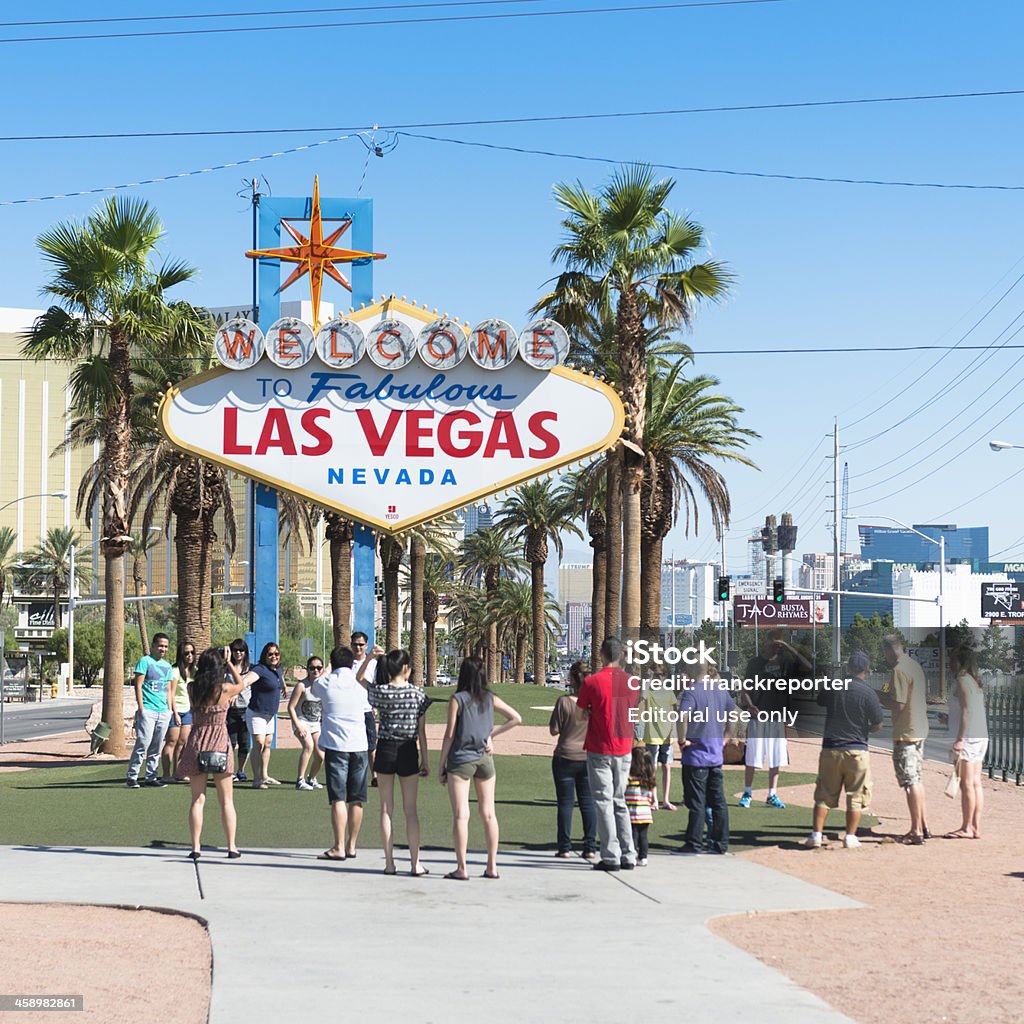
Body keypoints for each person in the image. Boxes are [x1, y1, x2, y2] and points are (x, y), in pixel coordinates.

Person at [438, 656, 521, 880]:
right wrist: (490, 736)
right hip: (485, 760)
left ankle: (462, 868)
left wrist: (441, 765)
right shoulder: (490, 698)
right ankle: (492, 866)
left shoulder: (458, 699)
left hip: (461, 759)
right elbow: (516, 718)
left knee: (461, 814)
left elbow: (449, 735)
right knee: (488, 814)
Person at [358, 647, 431, 876]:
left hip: (386, 749)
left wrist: (370, 657)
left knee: (386, 809)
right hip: (409, 749)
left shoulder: (381, 692)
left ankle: (389, 863)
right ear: (407, 668)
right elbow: (422, 732)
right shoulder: (418, 694)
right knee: (410, 810)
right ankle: (415, 863)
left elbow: (359, 679)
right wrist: (426, 761)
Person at [805, 651, 884, 849]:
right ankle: (850, 836)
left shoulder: (834, 685)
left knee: (823, 794)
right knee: (856, 796)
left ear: (848, 667)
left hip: (831, 748)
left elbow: (820, 701)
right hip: (857, 750)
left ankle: (816, 834)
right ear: (866, 670)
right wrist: (865, 729)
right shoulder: (868, 693)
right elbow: (878, 724)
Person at [577, 637, 641, 872]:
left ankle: (611, 855)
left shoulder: (592, 682)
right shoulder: (632, 683)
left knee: (604, 802)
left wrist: (593, 712)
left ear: (602, 654)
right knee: (619, 801)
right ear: (621, 656)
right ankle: (629, 853)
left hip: (600, 747)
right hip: (624, 747)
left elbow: (580, 714)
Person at [178, 646, 248, 859]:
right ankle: (231, 847)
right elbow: (242, 684)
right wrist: (228, 662)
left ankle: (196, 847)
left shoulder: (192, 689)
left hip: (197, 742)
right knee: (226, 800)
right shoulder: (224, 689)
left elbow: (192, 678)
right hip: (219, 743)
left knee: (197, 799)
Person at [310, 646, 372, 861]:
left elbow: (315, 685)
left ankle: (338, 846)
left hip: (336, 746)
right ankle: (352, 845)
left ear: (333, 663)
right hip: (359, 745)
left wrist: (328, 669)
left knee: (338, 798)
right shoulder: (359, 685)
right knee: (356, 799)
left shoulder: (326, 682)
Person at [739, 630, 810, 809]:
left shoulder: (786, 662)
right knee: (752, 757)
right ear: (766, 641)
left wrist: (789, 648)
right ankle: (747, 793)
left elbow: (808, 666)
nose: (775, 646)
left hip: (778, 717)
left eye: (778, 643)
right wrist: (749, 705)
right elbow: (744, 689)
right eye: (772, 641)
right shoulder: (755, 663)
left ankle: (772, 794)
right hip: (758, 717)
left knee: (775, 757)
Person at [675, 664, 735, 855]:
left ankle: (694, 843)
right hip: (715, 756)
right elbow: (733, 714)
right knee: (718, 802)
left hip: (695, 757)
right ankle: (720, 844)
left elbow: (682, 717)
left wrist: (682, 740)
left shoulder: (691, 692)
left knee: (697, 803)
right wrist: (726, 738)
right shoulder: (720, 691)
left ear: (692, 672)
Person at [880, 635, 930, 845]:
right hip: (918, 729)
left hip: (906, 732)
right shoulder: (914, 666)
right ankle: (923, 825)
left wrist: (874, 695)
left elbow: (897, 704)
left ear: (889, 650)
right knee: (917, 778)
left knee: (910, 782)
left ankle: (916, 831)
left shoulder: (899, 670)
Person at [549, 661, 598, 860]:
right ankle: (590, 847)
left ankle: (565, 847)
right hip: (588, 756)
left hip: (565, 755)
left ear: (571, 679)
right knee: (588, 803)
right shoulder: (593, 703)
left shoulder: (564, 702)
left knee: (565, 803)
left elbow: (554, 730)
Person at [945, 646, 988, 840]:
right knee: (976, 783)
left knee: (966, 784)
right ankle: (975, 827)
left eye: (952, 659)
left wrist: (960, 739)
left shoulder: (962, 681)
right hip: (979, 735)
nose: (949, 664)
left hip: (969, 737)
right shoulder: (974, 682)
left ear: (960, 661)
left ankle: (967, 827)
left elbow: (966, 711)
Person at [126, 632, 174, 789]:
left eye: (165, 646)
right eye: (160, 645)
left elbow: (168, 689)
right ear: (153, 646)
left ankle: (151, 777)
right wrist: (141, 708)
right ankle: (132, 776)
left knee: (156, 746)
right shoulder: (144, 662)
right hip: (148, 709)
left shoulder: (167, 666)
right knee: (142, 744)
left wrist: (169, 709)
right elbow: (138, 685)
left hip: (163, 711)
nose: (163, 649)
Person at [246, 642, 288, 790]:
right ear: (265, 655)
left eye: (276, 654)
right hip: (256, 712)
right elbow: (248, 680)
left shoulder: (277, 669)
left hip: (270, 714)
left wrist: (283, 686)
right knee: (258, 743)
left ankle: (264, 775)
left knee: (268, 743)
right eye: (270, 654)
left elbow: (279, 677)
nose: (273, 657)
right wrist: (239, 687)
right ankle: (256, 779)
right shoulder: (260, 669)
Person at [288, 655, 325, 791]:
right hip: (302, 721)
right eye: (312, 668)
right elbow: (291, 707)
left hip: (316, 724)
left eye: (318, 668)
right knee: (308, 746)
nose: (315, 670)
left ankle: (312, 778)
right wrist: (298, 725)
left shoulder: (323, 685)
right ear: (307, 669)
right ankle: (300, 780)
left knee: (321, 755)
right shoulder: (302, 686)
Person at [160, 641, 196, 784]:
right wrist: (174, 713)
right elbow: (171, 694)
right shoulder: (174, 670)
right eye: (186, 653)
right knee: (172, 741)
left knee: (183, 741)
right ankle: (166, 774)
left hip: (188, 711)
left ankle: (179, 772)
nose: (189, 656)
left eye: (192, 653)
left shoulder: (195, 671)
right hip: (175, 710)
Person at [641, 678, 678, 810]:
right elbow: (642, 697)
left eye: (661, 675)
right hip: (652, 734)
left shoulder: (668, 692)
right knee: (653, 768)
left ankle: (666, 800)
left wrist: (673, 730)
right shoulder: (648, 691)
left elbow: (673, 711)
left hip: (666, 735)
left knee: (667, 766)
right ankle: (654, 799)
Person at [352, 631, 379, 786]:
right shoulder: (347, 663)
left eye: (361, 644)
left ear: (366, 645)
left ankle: (375, 776)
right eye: (355, 644)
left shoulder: (373, 664)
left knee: (371, 746)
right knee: (353, 746)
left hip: (366, 709)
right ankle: (355, 776)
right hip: (350, 711)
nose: (358, 647)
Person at [226, 639, 253, 784]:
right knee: (230, 742)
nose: (238, 653)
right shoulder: (226, 669)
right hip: (230, 710)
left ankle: (241, 770)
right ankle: (229, 770)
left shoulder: (250, 668)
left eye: (241, 650)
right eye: (235, 650)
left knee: (244, 743)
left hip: (246, 710)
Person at [625, 746, 656, 867]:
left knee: (633, 835)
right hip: (645, 813)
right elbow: (651, 797)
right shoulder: (649, 780)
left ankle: (632, 855)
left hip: (632, 813)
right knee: (643, 837)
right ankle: (643, 857)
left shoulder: (630, 779)